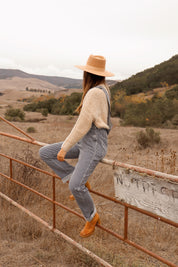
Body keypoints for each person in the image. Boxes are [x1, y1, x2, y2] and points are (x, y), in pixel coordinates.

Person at [39, 55, 114, 237]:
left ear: (87, 74)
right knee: (46, 152)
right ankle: (76, 176)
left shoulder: (95, 92)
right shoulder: (103, 89)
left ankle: (91, 217)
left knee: (75, 187)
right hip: (86, 142)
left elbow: (83, 123)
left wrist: (65, 147)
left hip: (93, 144)